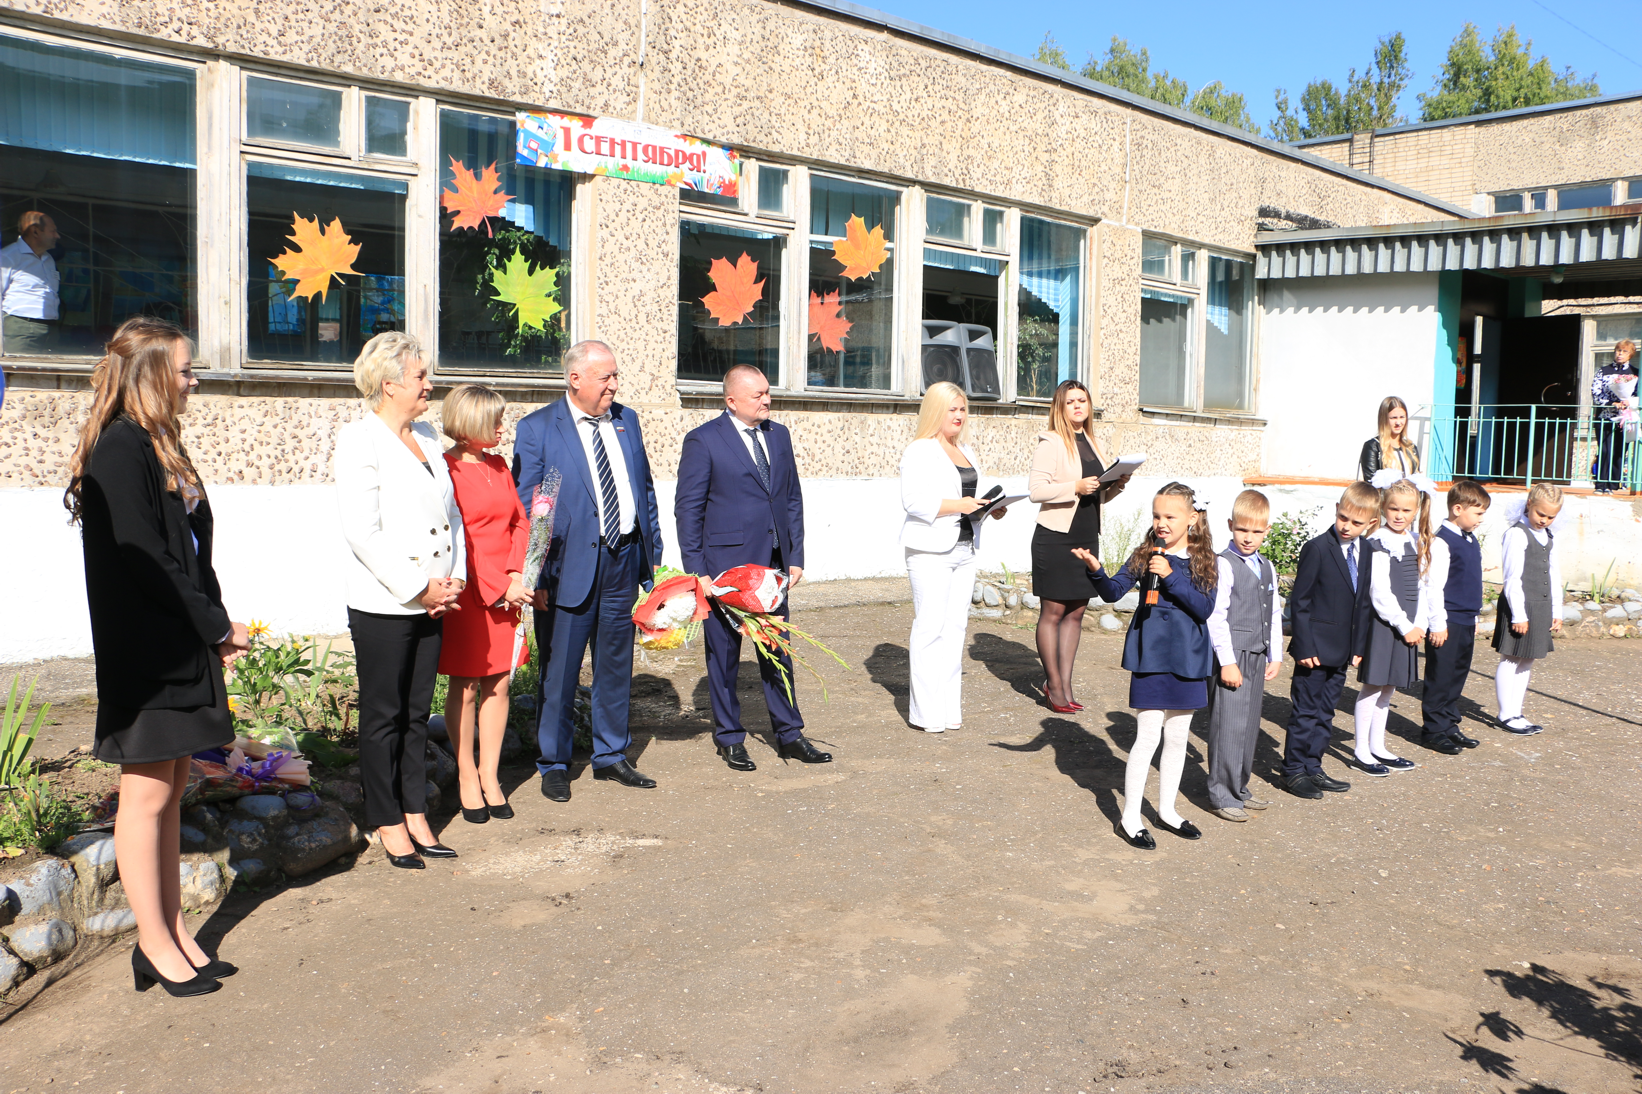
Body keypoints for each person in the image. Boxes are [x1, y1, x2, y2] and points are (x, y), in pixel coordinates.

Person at [64, 317, 249, 996]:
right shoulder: (121, 449)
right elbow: (152, 566)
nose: (193, 380)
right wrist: (214, 627)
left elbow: (195, 553)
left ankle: (171, 930)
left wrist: (216, 622)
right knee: (145, 797)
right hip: (147, 651)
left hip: (181, 642)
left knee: (170, 791)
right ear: (150, 374)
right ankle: (153, 942)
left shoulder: (160, 444)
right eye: (185, 369)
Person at [335, 331, 465, 868]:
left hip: (436, 599)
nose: (429, 384)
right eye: (419, 376)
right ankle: (387, 819)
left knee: (417, 714)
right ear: (389, 385)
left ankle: (416, 812)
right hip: (386, 602)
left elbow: (448, 517)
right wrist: (417, 587)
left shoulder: (429, 437)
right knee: (384, 716)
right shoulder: (358, 441)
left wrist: (451, 580)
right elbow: (362, 531)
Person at [513, 340, 664, 799]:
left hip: (622, 562)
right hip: (567, 570)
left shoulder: (626, 421)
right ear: (575, 379)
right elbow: (533, 507)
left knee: (615, 666)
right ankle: (554, 762)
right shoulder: (541, 429)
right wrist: (532, 574)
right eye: (606, 377)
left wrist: (652, 558)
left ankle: (611, 755)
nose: (615, 385)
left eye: (616, 376)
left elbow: (644, 489)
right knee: (559, 672)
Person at [676, 364, 832, 770]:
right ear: (731, 401)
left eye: (767, 392)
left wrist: (795, 556)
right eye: (757, 395)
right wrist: (698, 571)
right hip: (724, 572)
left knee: (777, 652)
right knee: (724, 657)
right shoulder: (704, 441)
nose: (766, 400)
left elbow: (791, 496)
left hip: (774, 569)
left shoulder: (777, 435)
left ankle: (790, 734)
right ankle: (730, 737)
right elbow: (688, 510)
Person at [1071, 482, 1217, 849]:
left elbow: (1203, 608)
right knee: (1149, 734)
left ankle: (1167, 810)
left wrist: (1171, 574)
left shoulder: (1205, 558)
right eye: (1157, 515)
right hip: (1151, 654)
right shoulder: (1144, 552)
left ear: (1192, 518)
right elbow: (1113, 592)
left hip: (1187, 657)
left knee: (1178, 736)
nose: (1162, 522)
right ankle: (1130, 818)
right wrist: (1096, 570)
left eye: (1170, 516)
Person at [438, 383, 531, 824]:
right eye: (494, 419)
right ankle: (465, 776)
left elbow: (520, 521)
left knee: (500, 684)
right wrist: (499, 583)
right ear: (471, 423)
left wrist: (516, 573)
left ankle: (490, 775)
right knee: (468, 686)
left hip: (506, 591)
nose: (501, 426)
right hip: (471, 592)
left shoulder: (498, 465)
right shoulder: (445, 470)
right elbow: (459, 542)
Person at [898, 381, 1009, 734]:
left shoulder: (968, 451)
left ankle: (948, 709)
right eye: (952, 409)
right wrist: (960, 506)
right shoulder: (919, 450)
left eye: (962, 409)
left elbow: (971, 500)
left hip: (964, 548)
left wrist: (991, 509)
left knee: (956, 629)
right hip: (930, 551)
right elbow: (914, 502)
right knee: (930, 629)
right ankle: (925, 714)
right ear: (935, 411)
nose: (959, 415)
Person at [1028, 380, 1128, 713]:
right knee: (1053, 612)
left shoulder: (1094, 442)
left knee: (1076, 613)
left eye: (1082, 400)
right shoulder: (1052, 441)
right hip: (1056, 537)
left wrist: (1116, 485)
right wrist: (1075, 485)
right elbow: (1036, 490)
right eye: (1070, 401)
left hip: (1086, 537)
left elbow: (1095, 494)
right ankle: (1053, 686)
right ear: (1060, 406)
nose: (1077, 406)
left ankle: (1066, 685)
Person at [1282, 481, 1379, 800]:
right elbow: (1300, 601)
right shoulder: (1318, 548)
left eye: (1356, 523)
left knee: (1326, 712)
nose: (1347, 527)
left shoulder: (1367, 551)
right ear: (1337, 510)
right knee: (1305, 711)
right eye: (1343, 518)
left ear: (1370, 524)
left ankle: (1314, 765)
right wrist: (1304, 646)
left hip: (1342, 651)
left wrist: (1359, 647)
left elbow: (1362, 601)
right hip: (1314, 650)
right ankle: (1294, 770)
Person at [1203, 490, 1283, 823]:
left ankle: (1239, 786)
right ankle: (1222, 793)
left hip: (1257, 653)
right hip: (1232, 655)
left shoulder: (1266, 566)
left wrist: (1275, 653)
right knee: (1228, 726)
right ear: (1230, 526)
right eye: (1242, 530)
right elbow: (1215, 616)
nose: (1248, 538)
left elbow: (1275, 611)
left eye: (1256, 531)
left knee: (1248, 725)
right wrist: (1227, 661)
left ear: (1266, 531)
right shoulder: (1224, 563)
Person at [1351, 473, 1439, 776]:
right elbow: (1380, 593)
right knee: (1373, 687)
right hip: (1385, 626)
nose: (1399, 516)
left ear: (1416, 511)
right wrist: (1404, 625)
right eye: (1394, 509)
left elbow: (1421, 587)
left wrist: (1420, 623)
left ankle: (1378, 746)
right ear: (1383, 508)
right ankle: (1361, 750)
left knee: (1388, 689)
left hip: (1408, 627)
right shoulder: (1376, 543)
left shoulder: (1416, 543)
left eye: (1406, 510)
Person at [1420, 479, 1491, 754]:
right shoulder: (1442, 541)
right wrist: (1437, 623)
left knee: (1457, 674)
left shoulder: (1469, 538)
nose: (1481, 519)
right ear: (1458, 509)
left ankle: (1449, 723)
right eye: (1478, 513)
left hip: (1465, 618)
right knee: (1441, 674)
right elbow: (1434, 585)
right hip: (1447, 620)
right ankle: (1433, 729)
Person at [1493, 482, 1565, 735]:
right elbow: (1512, 578)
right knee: (1511, 657)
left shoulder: (1549, 536)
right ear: (1529, 506)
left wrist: (1557, 610)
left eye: (1550, 516)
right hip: (1520, 605)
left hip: (1541, 605)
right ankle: (1505, 713)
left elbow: (1554, 575)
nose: (1544, 520)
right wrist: (1518, 615)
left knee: (1528, 660)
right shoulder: (1516, 534)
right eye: (1540, 514)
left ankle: (1517, 710)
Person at [1, 211, 61, 355]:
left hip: (50, 329)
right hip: (21, 328)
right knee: (18, 374)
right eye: (52, 231)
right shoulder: (7, 257)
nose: (57, 236)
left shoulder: (49, 259)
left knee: (49, 376)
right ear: (35, 232)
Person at [1592, 339, 1638, 494]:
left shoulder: (1635, 372)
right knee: (1605, 450)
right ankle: (1600, 485)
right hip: (1605, 417)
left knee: (1619, 451)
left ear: (1631, 354)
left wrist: (1628, 401)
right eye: (1618, 350)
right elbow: (1596, 394)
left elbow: (1638, 395)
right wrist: (1612, 403)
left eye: (1624, 351)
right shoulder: (1603, 371)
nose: (1620, 354)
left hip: (1626, 418)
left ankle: (1613, 485)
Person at [1358, 396, 1420, 480]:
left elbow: (1417, 480)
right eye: (1393, 418)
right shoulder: (1373, 446)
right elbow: (1371, 485)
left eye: (1402, 417)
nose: (1398, 422)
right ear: (1384, 419)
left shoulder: (1411, 448)